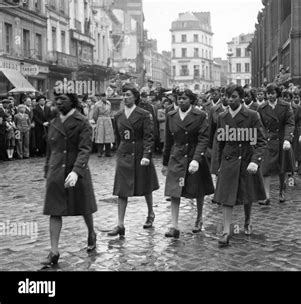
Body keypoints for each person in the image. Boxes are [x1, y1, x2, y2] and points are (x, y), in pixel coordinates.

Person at [41, 93, 97, 267]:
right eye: (56, 99)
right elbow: (50, 149)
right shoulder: (53, 122)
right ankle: (54, 251)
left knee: (84, 206)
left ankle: (91, 233)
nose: (58, 102)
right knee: (54, 209)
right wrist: (47, 169)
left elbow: (85, 149)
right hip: (56, 171)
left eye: (63, 99)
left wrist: (76, 171)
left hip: (76, 170)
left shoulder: (82, 122)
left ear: (72, 101)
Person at [213, 84, 267, 246]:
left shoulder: (252, 115)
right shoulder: (222, 117)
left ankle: (248, 221)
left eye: (234, 96)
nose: (230, 99)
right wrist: (217, 166)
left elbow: (261, 141)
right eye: (228, 96)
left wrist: (255, 161)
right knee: (226, 197)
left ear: (241, 97)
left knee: (247, 193)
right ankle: (226, 231)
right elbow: (220, 143)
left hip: (246, 159)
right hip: (229, 161)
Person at [161, 89, 214, 238]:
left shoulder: (200, 115)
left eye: (184, 98)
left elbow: (204, 138)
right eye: (179, 98)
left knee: (198, 190)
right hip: (177, 157)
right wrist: (165, 162)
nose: (181, 101)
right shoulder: (171, 115)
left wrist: (197, 159)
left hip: (194, 155)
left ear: (191, 100)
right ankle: (174, 225)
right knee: (174, 190)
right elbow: (168, 140)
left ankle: (199, 218)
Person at [108, 85, 159, 237]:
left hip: (140, 154)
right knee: (121, 190)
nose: (125, 97)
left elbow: (149, 136)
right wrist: (120, 151)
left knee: (145, 186)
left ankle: (150, 213)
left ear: (135, 97)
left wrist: (146, 155)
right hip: (124, 155)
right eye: (123, 94)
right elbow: (118, 137)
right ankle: (120, 224)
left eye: (128, 94)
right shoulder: (118, 116)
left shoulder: (144, 114)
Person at [257, 83, 295, 204]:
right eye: (268, 93)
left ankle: (281, 191)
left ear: (277, 94)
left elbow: (290, 123)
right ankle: (266, 196)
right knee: (265, 169)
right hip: (268, 141)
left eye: (272, 93)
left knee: (282, 168)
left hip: (282, 141)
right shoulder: (262, 108)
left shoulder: (285, 106)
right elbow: (259, 125)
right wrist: (261, 138)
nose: (270, 96)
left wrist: (287, 139)